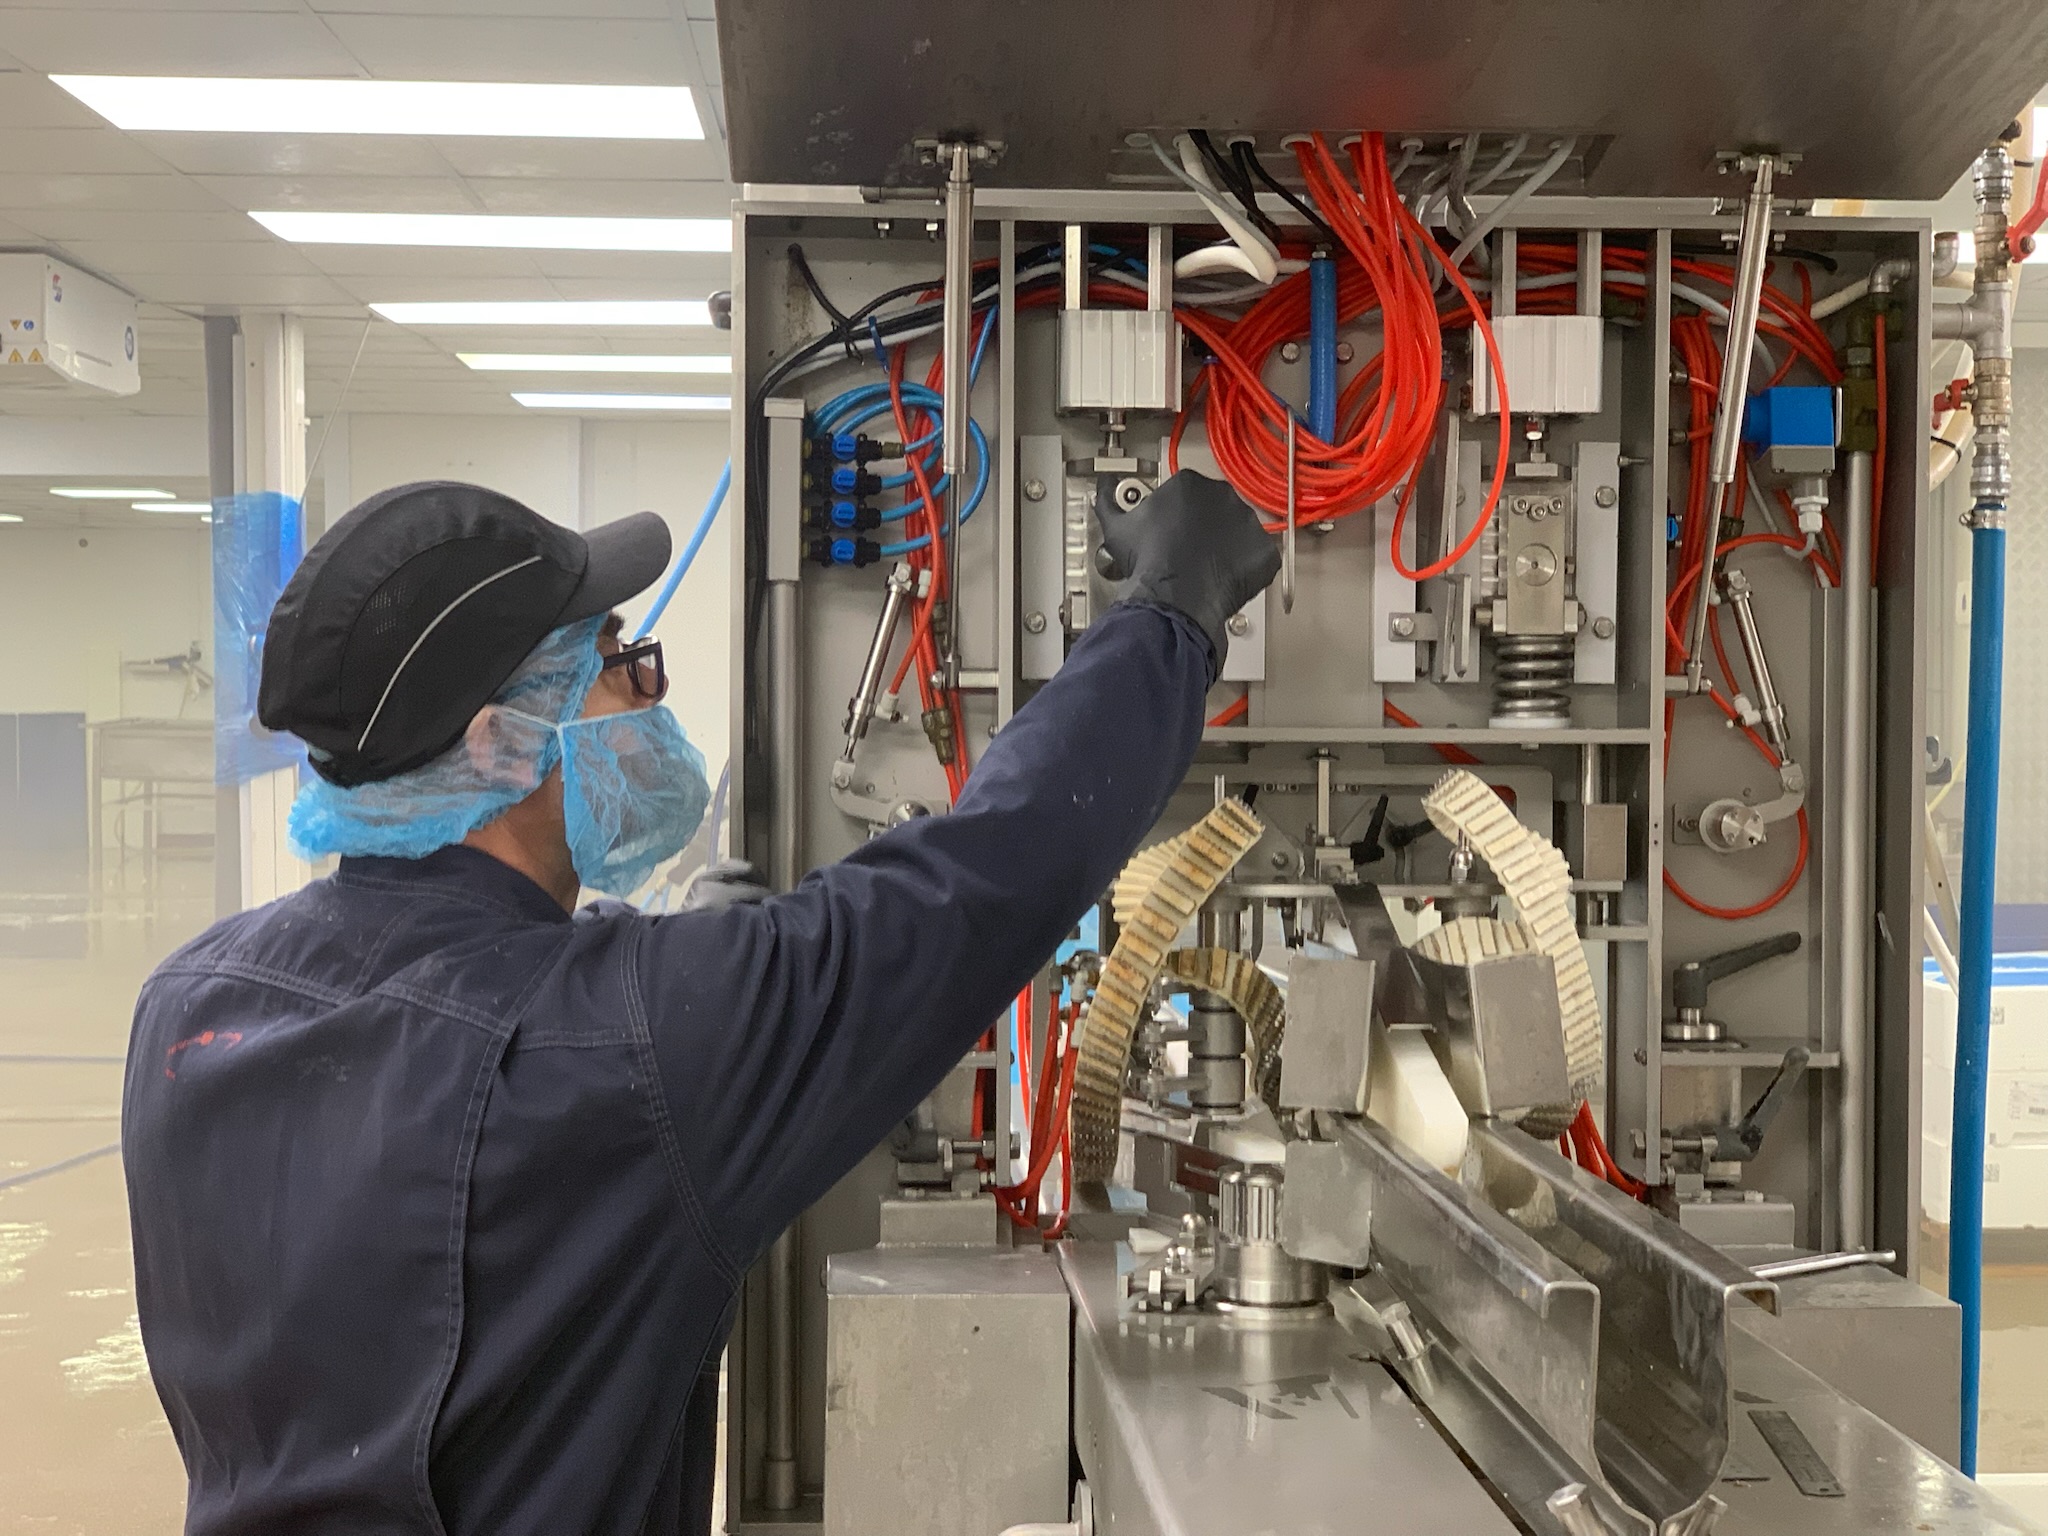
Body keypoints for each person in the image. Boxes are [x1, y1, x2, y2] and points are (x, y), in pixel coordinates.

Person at [123, 473, 1279, 1536]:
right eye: (615, 661)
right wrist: (1169, 614)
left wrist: (657, 962)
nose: (648, 689)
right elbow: (992, 871)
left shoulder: (185, 1007)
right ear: (499, 747)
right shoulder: (637, 1044)